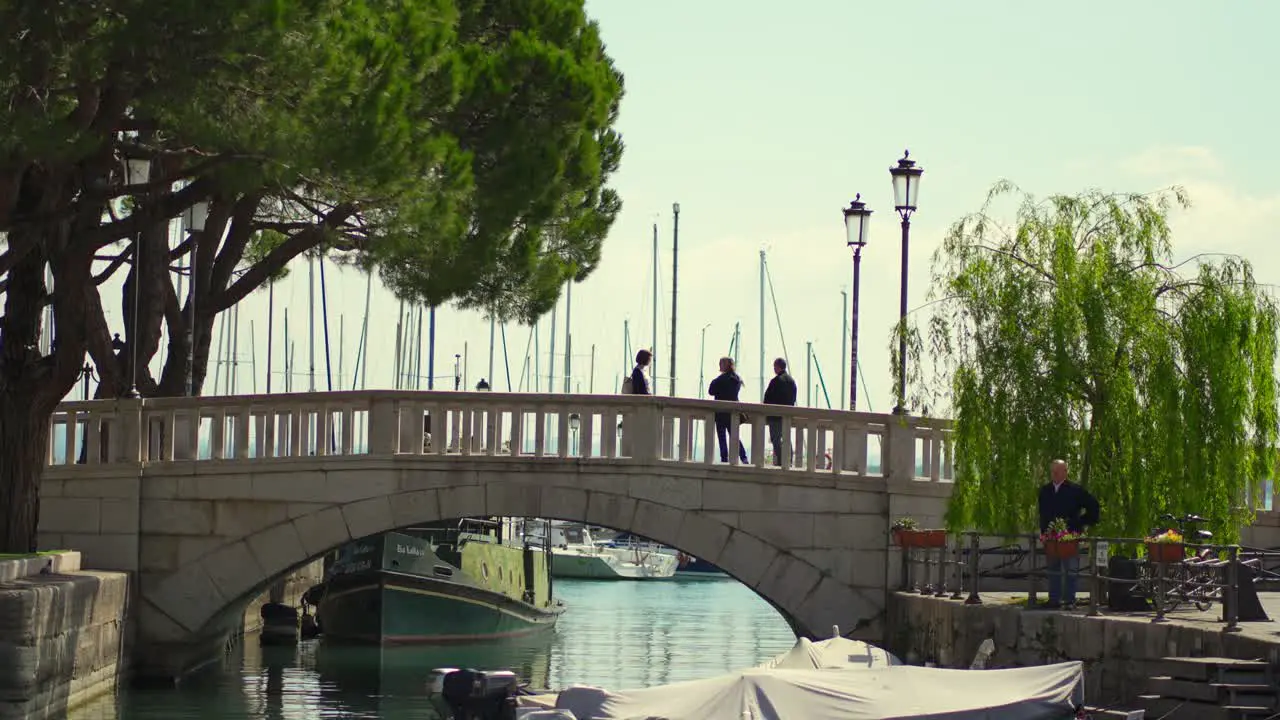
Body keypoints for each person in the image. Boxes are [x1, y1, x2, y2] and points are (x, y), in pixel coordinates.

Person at [1037, 459, 1100, 609]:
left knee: (1071, 570)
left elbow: (1093, 506)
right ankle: (1054, 600)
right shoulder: (1045, 491)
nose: (1054, 474)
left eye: (1058, 471)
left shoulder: (1075, 490)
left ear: (1065, 472)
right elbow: (1042, 514)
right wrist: (1044, 533)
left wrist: (1080, 523)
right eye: (1052, 471)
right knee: (1053, 569)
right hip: (1051, 537)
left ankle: (1069, 600)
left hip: (1069, 536)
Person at [708, 357, 749, 463]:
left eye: (721, 364)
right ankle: (743, 457)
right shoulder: (737, 379)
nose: (719, 366)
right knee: (735, 437)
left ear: (726, 365)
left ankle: (724, 458)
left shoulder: (720, 379)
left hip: (721, 412)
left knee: (722, 437)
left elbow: (711, 391)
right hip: (733, 412)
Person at [762, 358, 798, 466]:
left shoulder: (776, 381)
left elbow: (767, 398)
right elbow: (793, 398)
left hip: (775, 416)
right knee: (786, 438)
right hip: (787, 415)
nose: (774, 369)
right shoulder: (791, 381)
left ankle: (781, 461)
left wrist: (766, 411)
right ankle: (789, 461)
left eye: (774, 367)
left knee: (776, 439)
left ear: (778, 367)